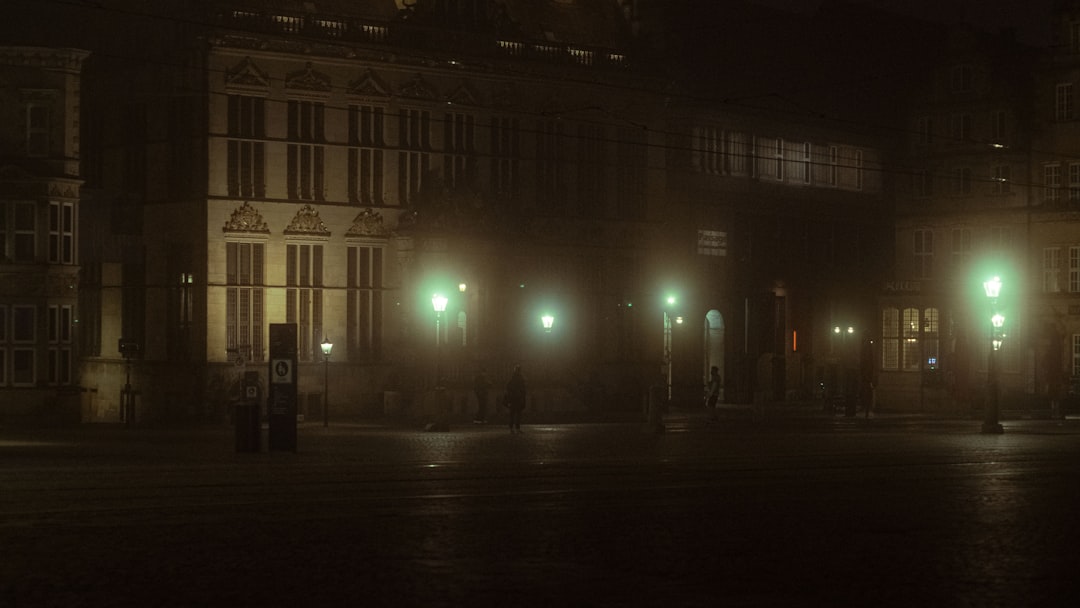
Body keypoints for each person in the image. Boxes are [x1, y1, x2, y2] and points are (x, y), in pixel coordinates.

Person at [504, 365, 527, 433]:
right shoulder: (521, 378)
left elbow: (508, 387)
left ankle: (511, 428)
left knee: (512, 413)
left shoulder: (512, 378)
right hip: (519, 398)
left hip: (513, 398)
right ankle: (517, 428)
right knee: (518, 414)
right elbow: (523, 389)